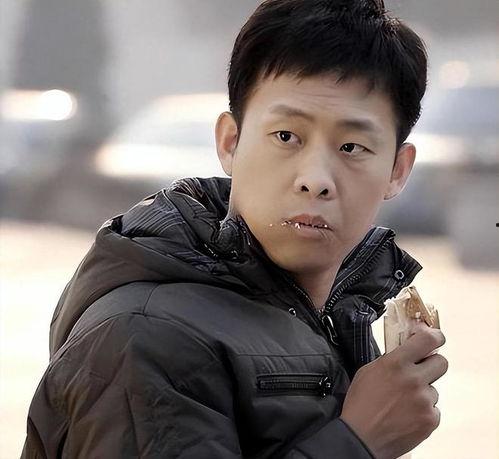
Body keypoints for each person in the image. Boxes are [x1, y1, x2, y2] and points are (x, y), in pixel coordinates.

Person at [22, 0, 448, 458]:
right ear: (230, 142)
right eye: (286, 136)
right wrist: (359, 440)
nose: (315, 179)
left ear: (397, 171)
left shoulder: (326, 318)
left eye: (351, 146)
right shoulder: (148, 335)